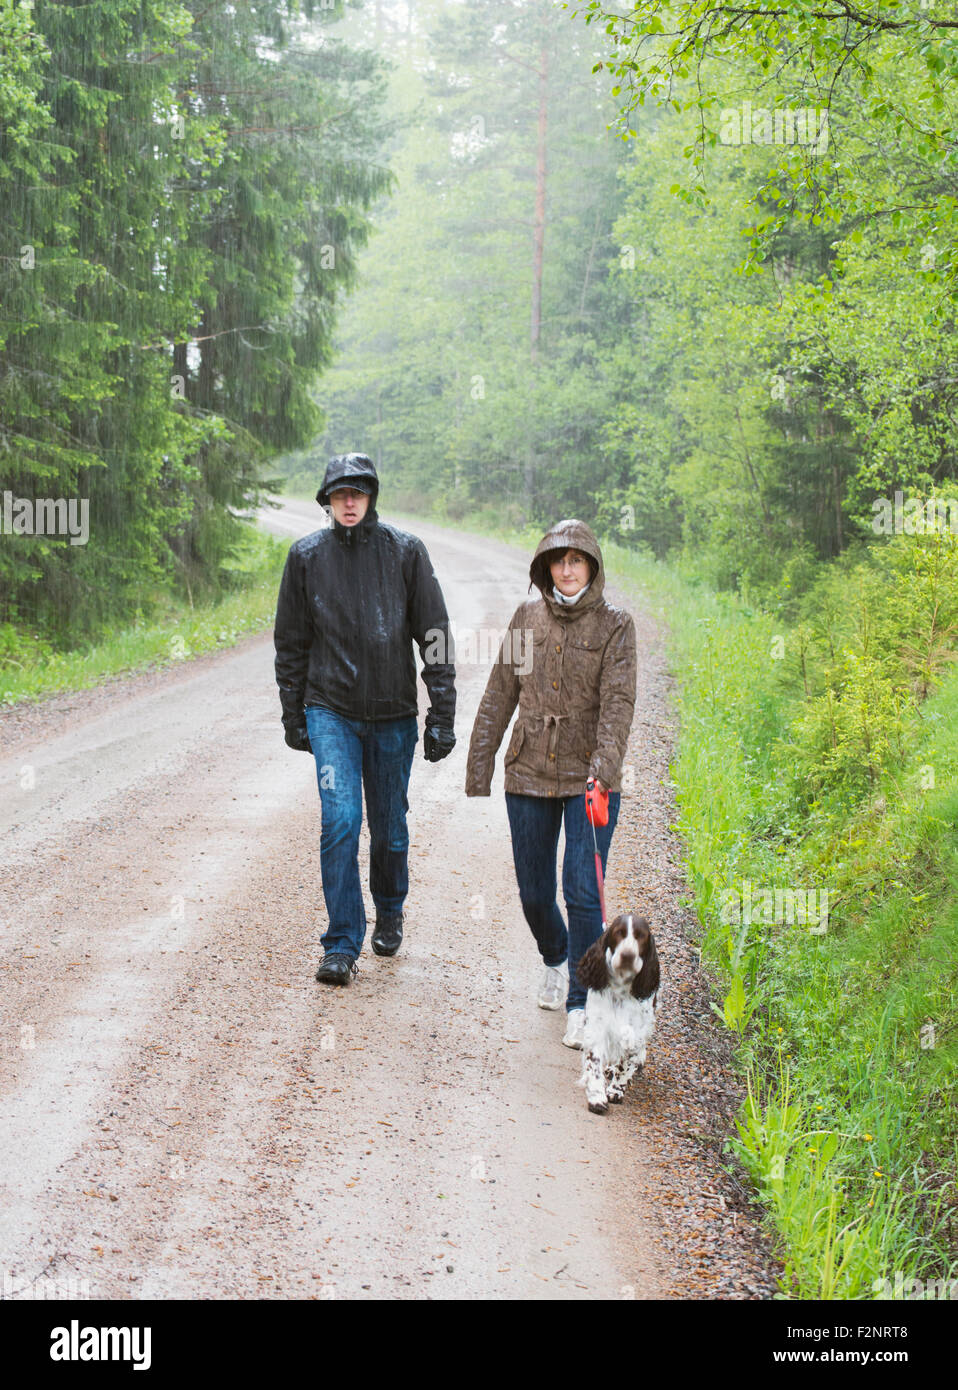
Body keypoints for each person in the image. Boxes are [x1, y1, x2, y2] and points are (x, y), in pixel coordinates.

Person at [274, 453, 457, 985]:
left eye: (358, 492)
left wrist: (441, 712)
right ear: (327, 501)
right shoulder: (305, 557)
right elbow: (291, 642)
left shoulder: (405, 552)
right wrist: (295, 713)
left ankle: (391, 905)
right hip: (329, 709)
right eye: (339, 494)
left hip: (393, 715)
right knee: (341, 820)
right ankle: (341, 942)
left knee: (390, 829)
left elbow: (435, 635)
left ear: (372, 495)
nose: (349, 502)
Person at [465, 519, 636, 1047]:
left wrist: (604, 772)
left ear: (592, 568)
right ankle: (555, 956)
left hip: (588, 778)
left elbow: (619, 704)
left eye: (576, 560)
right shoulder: (526, 617)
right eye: (558, 560)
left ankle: (584, 1001)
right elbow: (500, 693)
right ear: (545, 568)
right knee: (535, 891)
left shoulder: (615, 625)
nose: (567, 568)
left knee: (582, 889)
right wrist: (480, 764)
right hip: (529, 772)